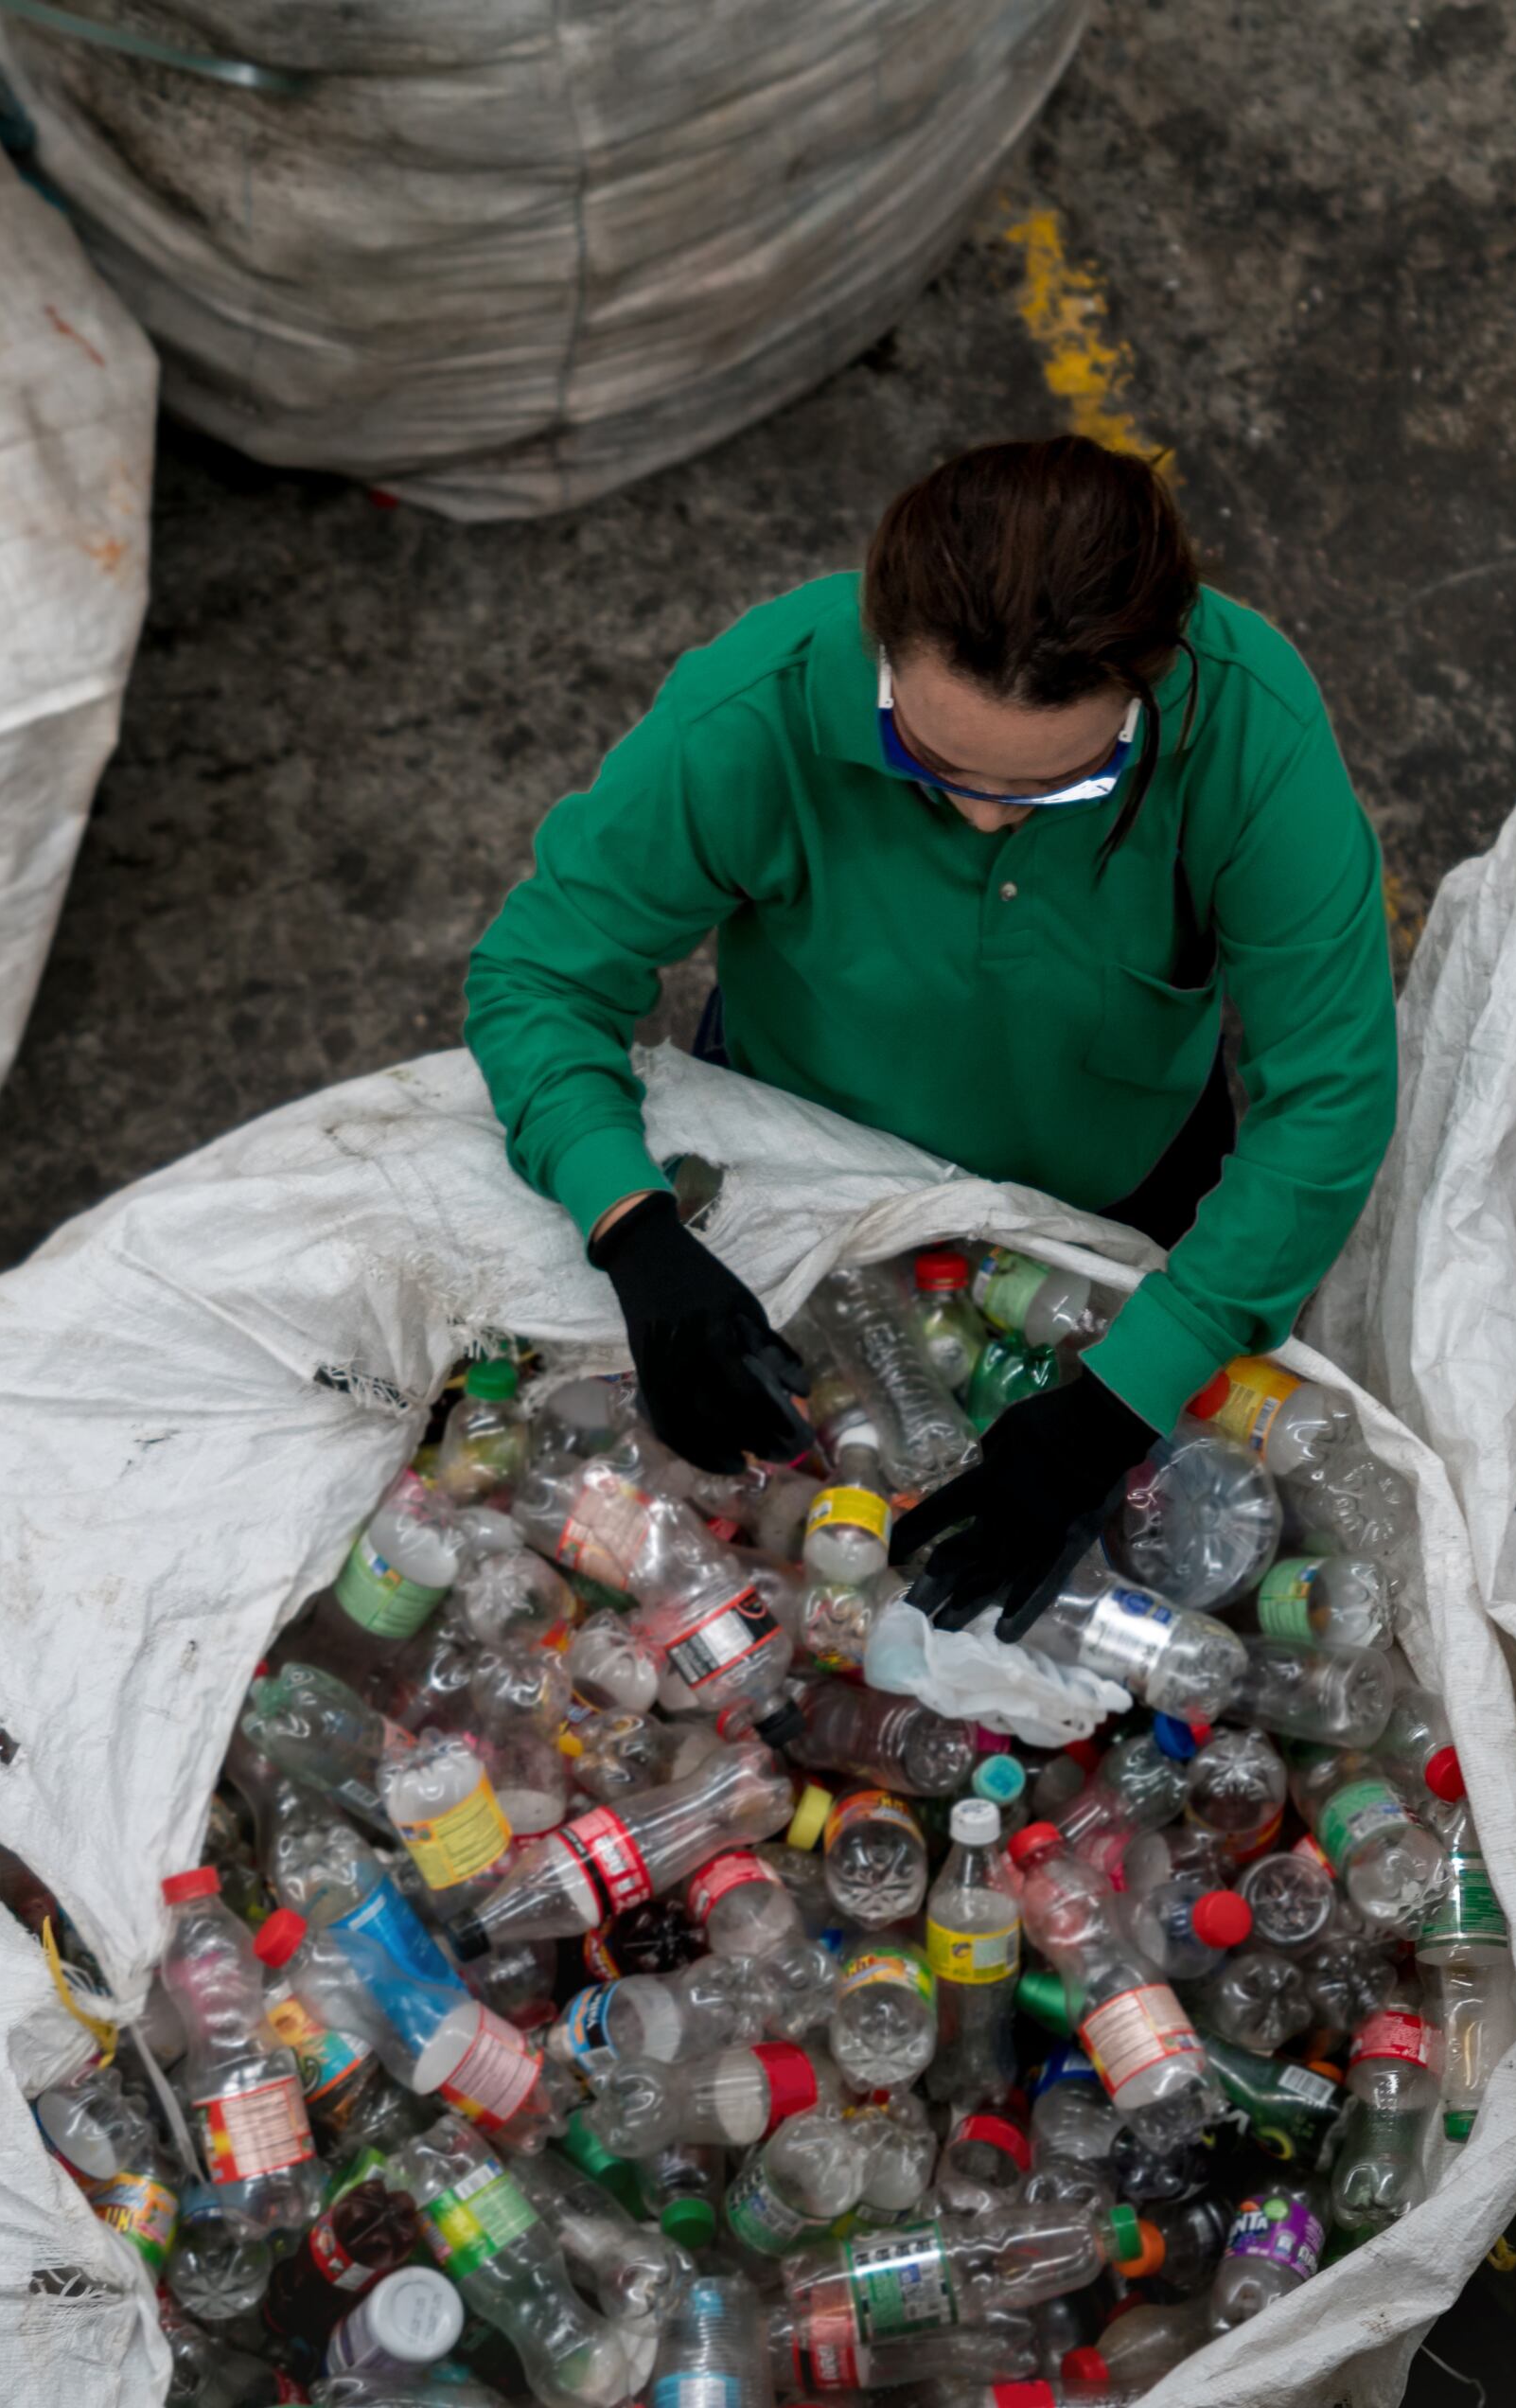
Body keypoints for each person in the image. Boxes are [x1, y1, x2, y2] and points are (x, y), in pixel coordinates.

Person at [464, 434, 1397, 1637]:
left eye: (1057, 788)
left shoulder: (1249, 727)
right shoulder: (756, 708)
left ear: (1155, 681)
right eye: (925, 759)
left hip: (1120, 1191)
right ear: (879, 644)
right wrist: (632, 1226)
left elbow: (1326, 1100)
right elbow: (541, 970)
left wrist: (1121, 1403)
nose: (981, 815)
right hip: (801, 1157)